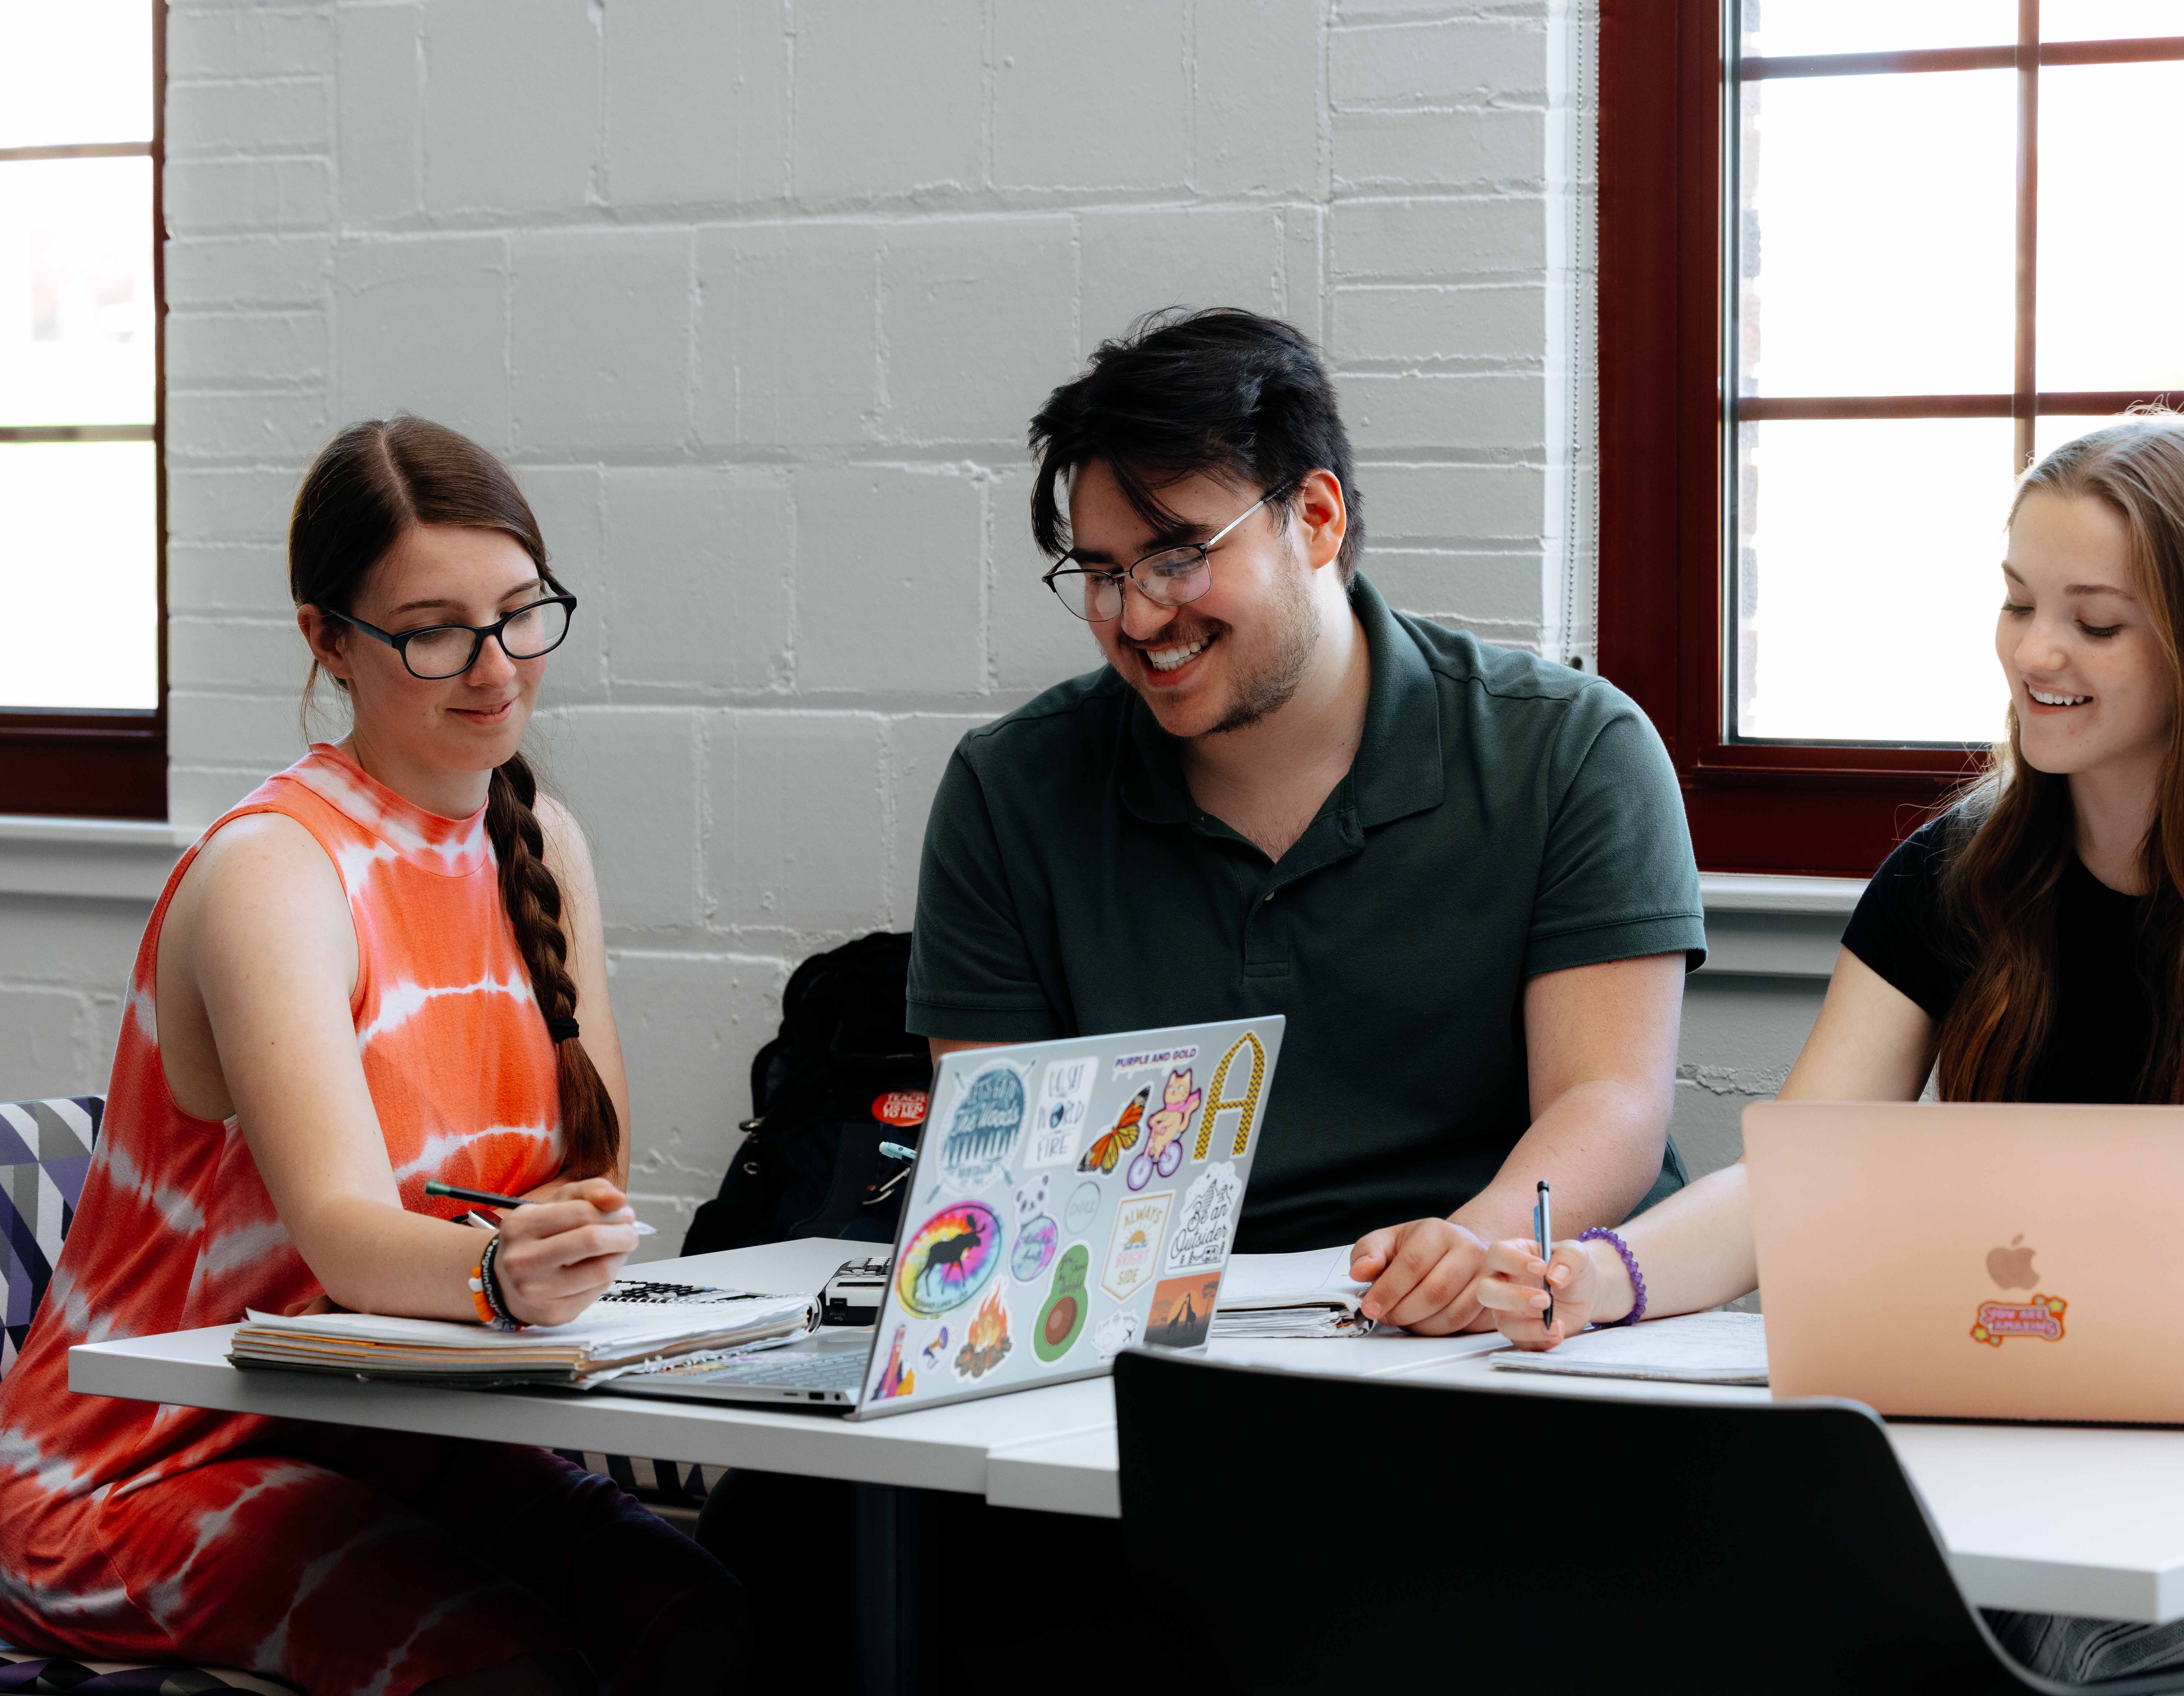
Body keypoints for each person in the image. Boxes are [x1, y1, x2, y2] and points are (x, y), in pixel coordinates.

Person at [699, 307, 1704, 1689]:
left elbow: (1609, 1103)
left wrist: (1464, 1255)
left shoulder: (1567, 751)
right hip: (1156, 1378)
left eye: (1177, 555)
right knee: (778, 1547)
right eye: (1098, 572)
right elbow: (1005, 1157)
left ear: (1316, 517)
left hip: (1486, 1360)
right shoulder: (1013, 789)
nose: (1135, 617)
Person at [1479, 416, 2184, 1683]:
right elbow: (1797, 1177)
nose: (2035, 652)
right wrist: (1597, 1277)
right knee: (1793, 1598)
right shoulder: (1952, 871)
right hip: (2042, 1363)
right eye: (2014, 602)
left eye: (2093, 623)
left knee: (2042, 1645)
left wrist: (2013, 1309)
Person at [0, 417, 748, 1696]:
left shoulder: (542, 841)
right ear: (325, 637)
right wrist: (507, 1275)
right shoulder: (274, 869)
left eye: (522, 613)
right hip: (134, 1467)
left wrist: (553, 1253)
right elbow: (347, 1238)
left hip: (385, 1425)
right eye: (433, 629)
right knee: (514, 1671)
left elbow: (586, 1178)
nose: (495, 666)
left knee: (714, 1627)